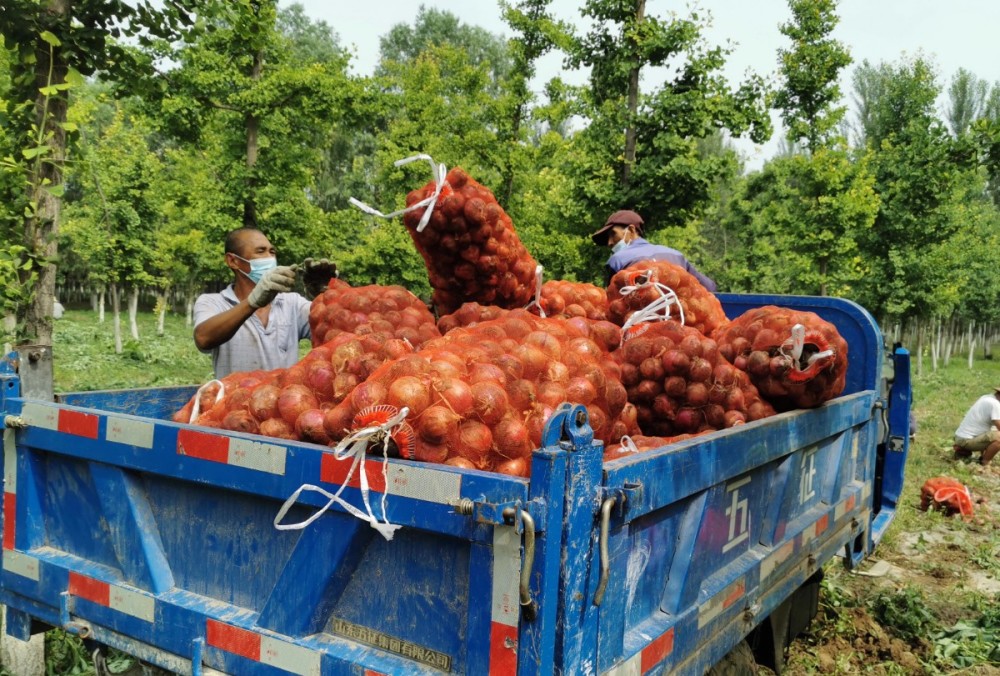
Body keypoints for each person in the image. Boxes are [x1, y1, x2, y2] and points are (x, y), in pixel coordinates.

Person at [193, 227, 336, 379]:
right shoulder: (213, 302)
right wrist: (253, 302)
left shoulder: (292, 303)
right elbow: (203, 338)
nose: (270, 258)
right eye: (261, 251)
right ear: (233, 261)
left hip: (283, 401)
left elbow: (332, 331)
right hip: (235, 401)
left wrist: (324, 296)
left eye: (272, 252)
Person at [590, 209, 717, 291]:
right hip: (682, 322)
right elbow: (710, 287)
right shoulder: (676, 254)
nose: (609, 242)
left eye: (613, 234)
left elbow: (612, 302)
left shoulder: (618, 259)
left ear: (631, 230)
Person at [952, 388, 1000, 465]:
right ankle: (985, 462)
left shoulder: (986, 397)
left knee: (993, 432)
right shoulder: (995, 404)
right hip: (966, 440)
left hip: (961, 437)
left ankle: (964, 451)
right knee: (998, 437)